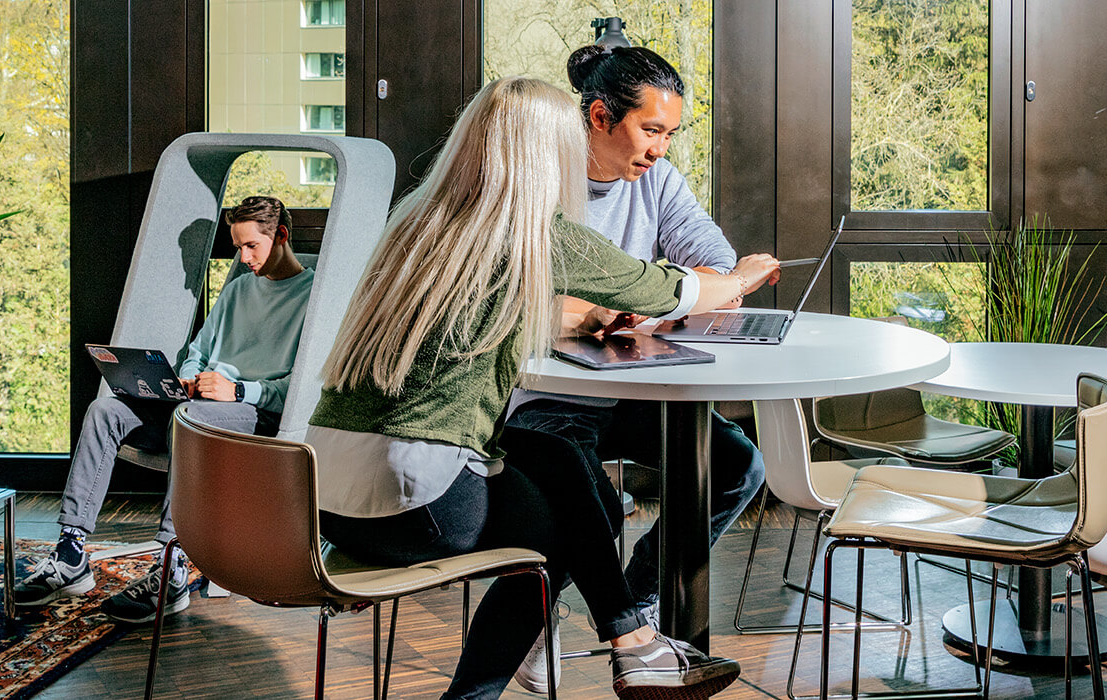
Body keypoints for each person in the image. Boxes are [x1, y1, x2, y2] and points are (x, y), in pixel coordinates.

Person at [308, 76, 778, 700]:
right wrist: (742, 275)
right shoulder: (535, 231)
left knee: (561, 464)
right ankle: (600, 656)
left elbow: (490, 312)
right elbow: (672, 289)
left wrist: (584, 318)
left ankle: (635, 644)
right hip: (415, 502)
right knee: (558, 528)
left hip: (326, 498)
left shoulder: (418, 221)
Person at [504, 44, 772, 690]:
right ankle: (558, 621)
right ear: (600, 116)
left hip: (625, 388)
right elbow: (515, 296)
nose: (660, 149)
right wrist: (631, 298)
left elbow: (719, 269)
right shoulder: (539, 177)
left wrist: (644, 299)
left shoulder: (657, 180)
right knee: (591, 498)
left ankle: (633, 598)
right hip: (542, 393)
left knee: (737, 467)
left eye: (670, 134)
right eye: (651, 130)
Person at [14, 195, 316, 623]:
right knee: (105, 411)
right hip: (195, 407)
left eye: (252, 246)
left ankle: (172, 565)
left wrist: (238, 390)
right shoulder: (237, 290)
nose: (244, 257)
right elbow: (198, 352)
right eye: (238, 247)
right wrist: (188, 379)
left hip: (252, 415)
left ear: (281, 235)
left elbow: (301, 389)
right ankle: (71, 552)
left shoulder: (314, 297)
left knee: (187, 418)